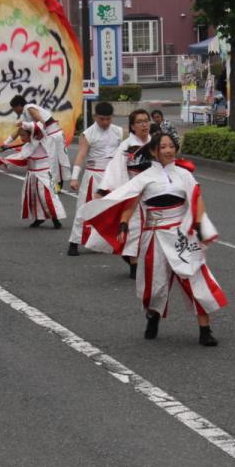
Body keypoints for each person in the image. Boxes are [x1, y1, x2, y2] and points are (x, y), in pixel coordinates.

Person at [80, 132, 225, 346]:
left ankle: (205, 330)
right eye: (163, 147)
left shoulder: (184, 174)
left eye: (171, 146)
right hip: (155, 235)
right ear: (154, 151)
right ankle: (153, 316)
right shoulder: (144, 177)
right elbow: (130, 202)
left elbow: (197, 198)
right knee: (155, 285)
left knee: (194, 279)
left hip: (182, 234)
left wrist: (198, 223)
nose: (168, 150)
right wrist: (123, 222)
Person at [95, 108, 153, 276]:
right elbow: (115, 169)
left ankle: (147, 261)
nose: (144, 125)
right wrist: (104, 190)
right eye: (139, 122)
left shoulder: (155, 143)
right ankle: (134, 265)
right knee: (134, 229)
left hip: (153, 192)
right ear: (132, 127)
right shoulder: (126, 146)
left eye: (146, 121)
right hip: (134, 192)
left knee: (152, 229)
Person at [67, 101, 124, 257]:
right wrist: (74, 178)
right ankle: (74, 242)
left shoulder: (118, 131)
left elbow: (123, 154)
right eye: (101, 119)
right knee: (85, 208)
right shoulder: (88, 134)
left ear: (112, 117)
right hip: (93, 174)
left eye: (108, 119)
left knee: (113, 209)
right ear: (95, 117)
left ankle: (111, 242)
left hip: (113, 175)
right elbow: (81, 155)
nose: (105, 122)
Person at [0, 119, 66, 229]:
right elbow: (21, 155)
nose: (22, 138)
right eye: (21, 136)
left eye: (24, 136)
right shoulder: (27, 146)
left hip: (44, 173)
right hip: (32, 174)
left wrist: (24, 124)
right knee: (33, 197)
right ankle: (39, 218)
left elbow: (36, 127)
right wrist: (5, 144)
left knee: (47, 197)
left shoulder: (40, 137)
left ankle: (55, 219)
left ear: (31, 134)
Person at [6, 95, 71, 189]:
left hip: (53, 135)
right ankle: (55, 185)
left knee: (54, 161)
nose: (14, 110)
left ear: (19, 105)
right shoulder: (25, 114)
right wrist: (5, 143)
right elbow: (19, 130)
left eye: (14, 108)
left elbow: (41, 122)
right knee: (53, 161)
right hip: (50, 135)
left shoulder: (29, 108)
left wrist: (38, 134)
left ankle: (56, 185)